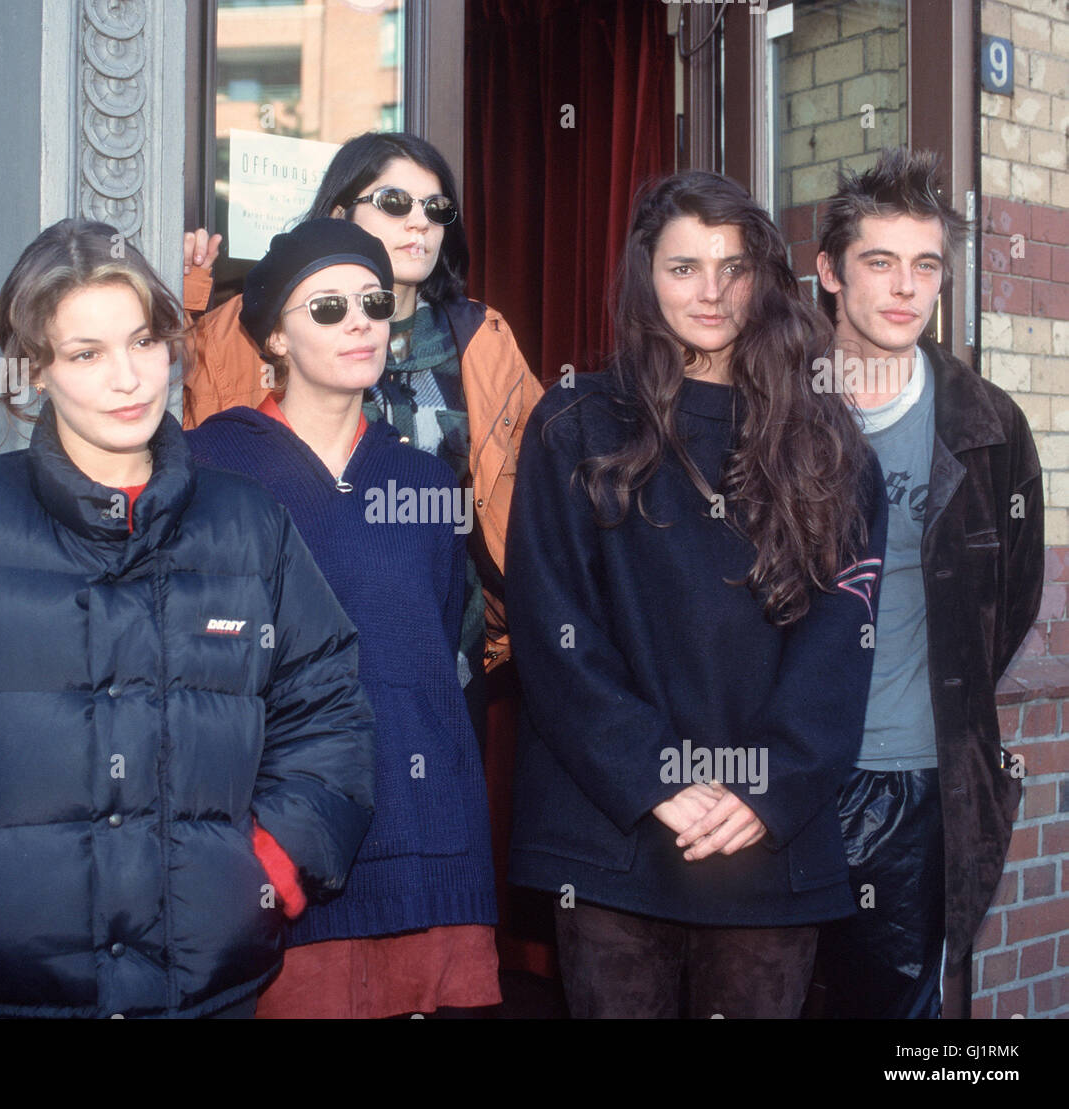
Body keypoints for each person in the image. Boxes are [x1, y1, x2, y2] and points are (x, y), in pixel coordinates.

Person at [0, 218, 375, 1019]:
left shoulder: (249, 523)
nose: (129, 378)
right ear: (37, 370)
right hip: (12, 992)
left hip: (210, 992)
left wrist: (268, 865)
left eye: (143, 341)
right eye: (86, 353)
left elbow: (328, 713)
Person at [505, 170, 889, 1019]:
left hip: (766, 840)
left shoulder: (830, 444)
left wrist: (765, 789)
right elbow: (551, 625)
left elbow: (841, 646)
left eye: (733, 266)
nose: (711, 291)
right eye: (684, 267)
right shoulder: (574, 422)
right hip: (615, 832)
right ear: (646, 276)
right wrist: (654, 777)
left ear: (764, 278)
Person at [187, 218, 499, 1018]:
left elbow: (438, 658)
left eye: (372, 301)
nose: (360, 320)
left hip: (426, 845)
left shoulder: (427, 480)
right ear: (275, 339)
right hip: (277, 855)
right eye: (326, 307)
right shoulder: (210, 467)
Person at [183, 131, 543, 702]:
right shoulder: (244, 332)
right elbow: (164, 444)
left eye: (436, 208)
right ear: (338, 213)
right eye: (395, 202)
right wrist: (182, 303)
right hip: (283, 656)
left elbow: (538, 489)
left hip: (442, 653)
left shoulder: (481, 338)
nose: (419, 223)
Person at [810, 148, 1044, 1019]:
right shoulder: (776, 409)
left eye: (926, 265)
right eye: (880, 261)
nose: (906, 287)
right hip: (779, 781)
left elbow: (1010, 597)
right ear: (831, 271)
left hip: (915, 785)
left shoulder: (986, 426)